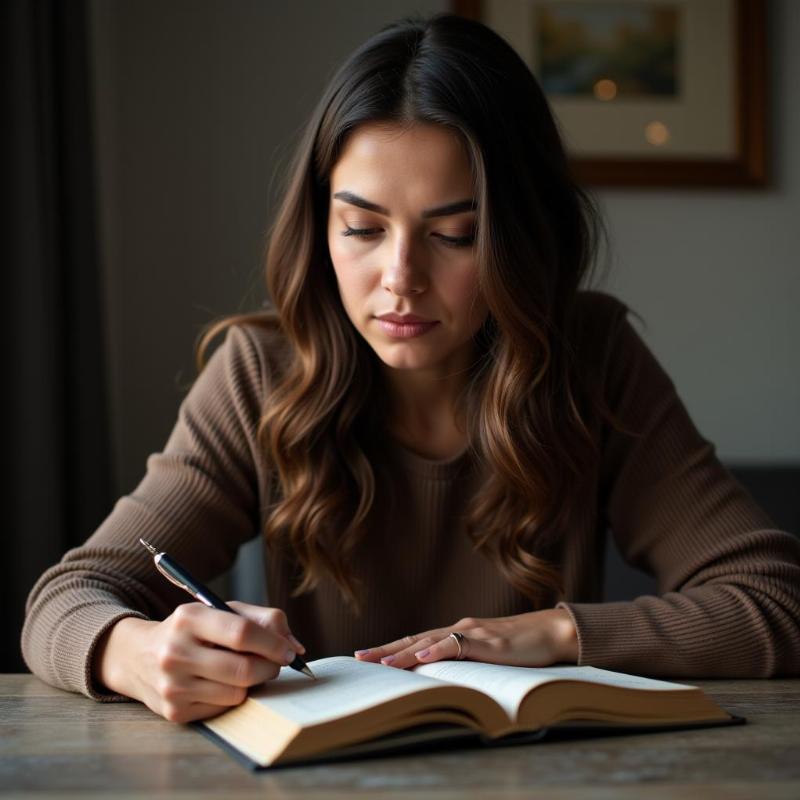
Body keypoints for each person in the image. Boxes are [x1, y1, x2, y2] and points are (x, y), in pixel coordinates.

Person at [21, 12, 800, 725]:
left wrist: (547, 635)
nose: (400, 277)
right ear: (320, 227)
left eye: (455, 235)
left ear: (520, 240)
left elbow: (775, 599)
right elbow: (64, 601)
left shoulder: (590, 359)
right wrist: (138, 653)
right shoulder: (259, 371)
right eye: (361, 227)